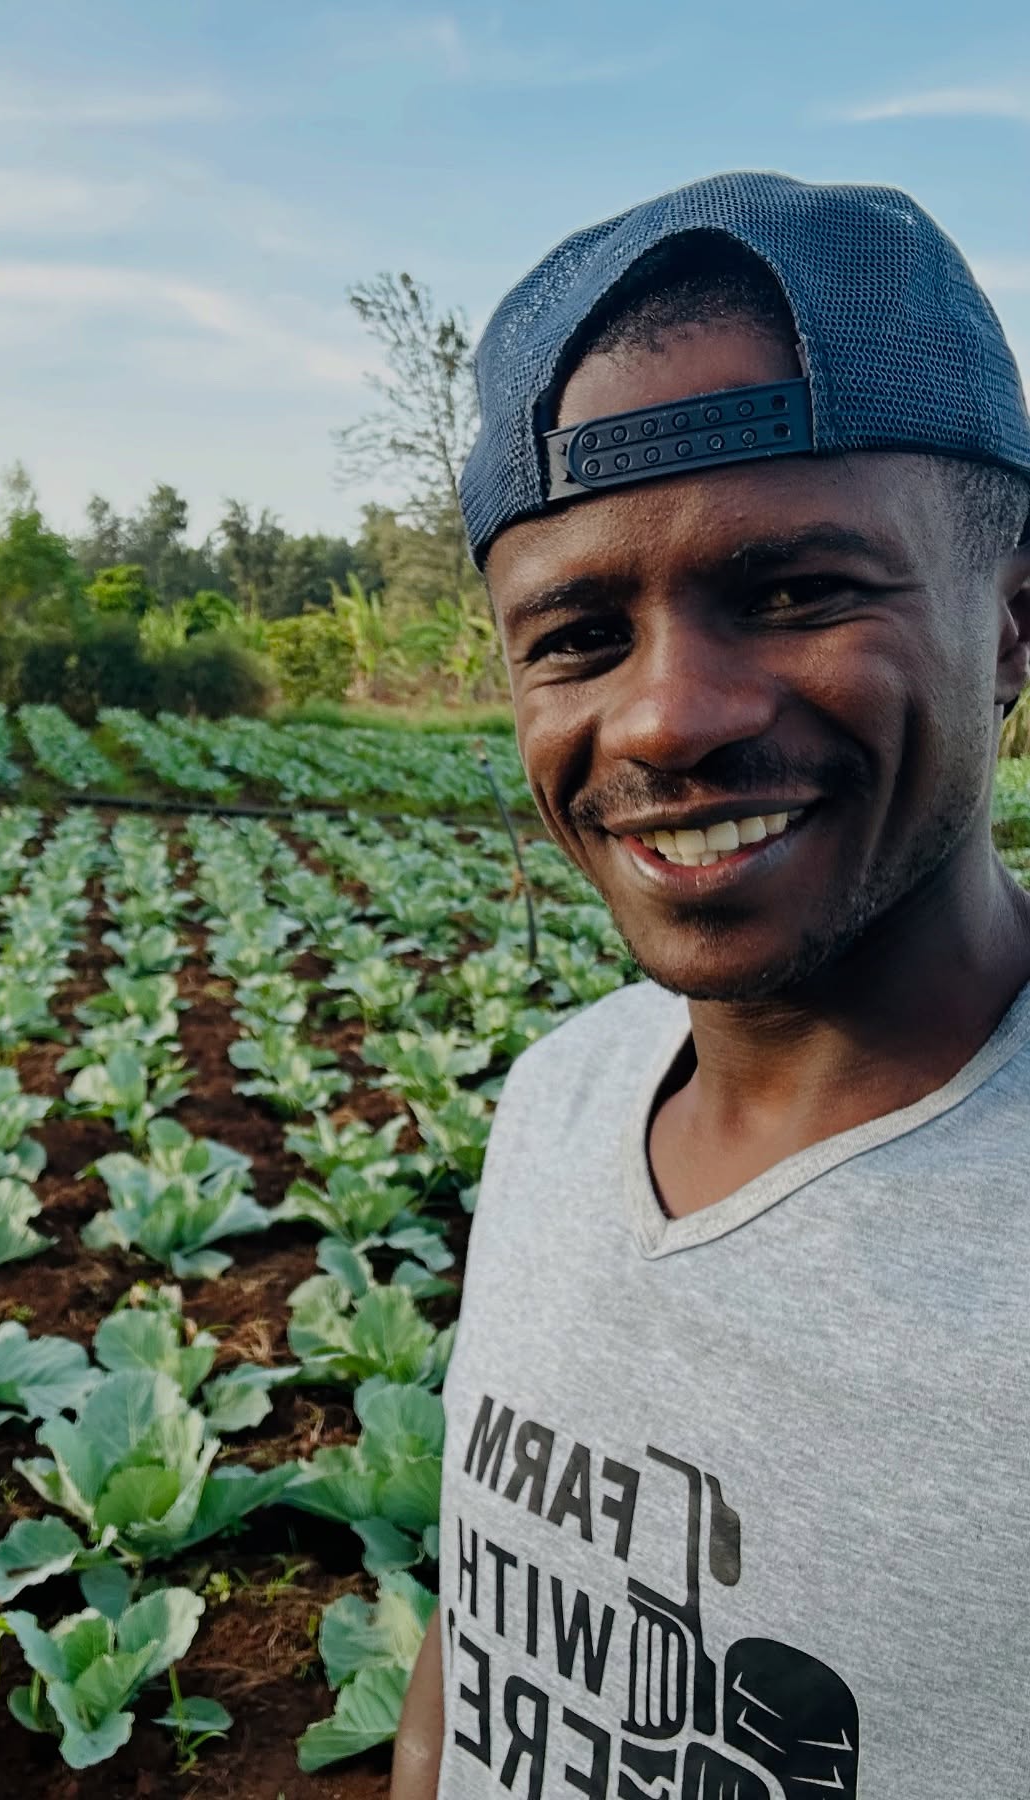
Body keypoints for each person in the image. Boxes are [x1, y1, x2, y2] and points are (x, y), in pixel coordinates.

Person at [391, 173, 1030, 1799]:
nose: (667, 719)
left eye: (797, 591)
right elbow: (484, 1643)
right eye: (579, 636)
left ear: (1015, 627)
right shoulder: (560, 1099)